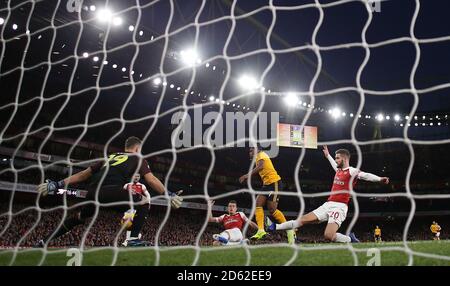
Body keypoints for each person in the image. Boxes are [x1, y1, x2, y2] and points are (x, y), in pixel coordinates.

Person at [36, 136, 183, 247]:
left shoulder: (109, 157)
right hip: (113, 192)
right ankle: (132, 240)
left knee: (81, 216)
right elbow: (151, 180)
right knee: (144, 200)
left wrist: (58, 184)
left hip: (92, 194)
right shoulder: (138, 158)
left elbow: (83, 175)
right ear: (137, 149)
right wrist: (168, 194)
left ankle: (44, 241)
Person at [267, 146, 389, 243]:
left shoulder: (351, 171)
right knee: (303, 220)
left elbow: (366, 175)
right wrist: (328, 156)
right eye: (335, 158)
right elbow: (333, 165)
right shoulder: (339, 171)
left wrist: (379, 179)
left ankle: (349, 239)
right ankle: (275, 227)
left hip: (340, 207)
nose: (336, 160)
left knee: (328, 235)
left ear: (345, 159)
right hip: (328, 204)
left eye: (338, 158)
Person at [239, 145, 296, 244]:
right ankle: (261, 230)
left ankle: (289, 230)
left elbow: (261, 166)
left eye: (251, 150)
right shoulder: (258, 158)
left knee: (272, 210)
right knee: (258, 204)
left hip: (274, 183)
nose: (250, 152)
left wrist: (247, 175)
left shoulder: (261, 154)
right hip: (267, 185)